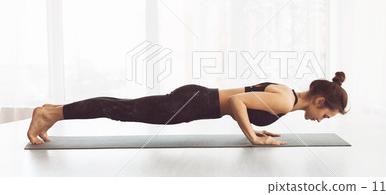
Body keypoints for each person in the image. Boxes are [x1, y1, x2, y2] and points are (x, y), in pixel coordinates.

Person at [27, 72, 349, 146]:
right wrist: (251, 134)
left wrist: (256, 125)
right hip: (191, 104)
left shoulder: (285, 94)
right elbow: (237, 101)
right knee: (120, 109)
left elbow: (246, 102)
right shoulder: (283, 101)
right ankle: (51, 114)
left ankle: (54, 109)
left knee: (123, 108)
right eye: (327, 115)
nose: (322, 120)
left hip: (195, 99)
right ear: (320, 101)